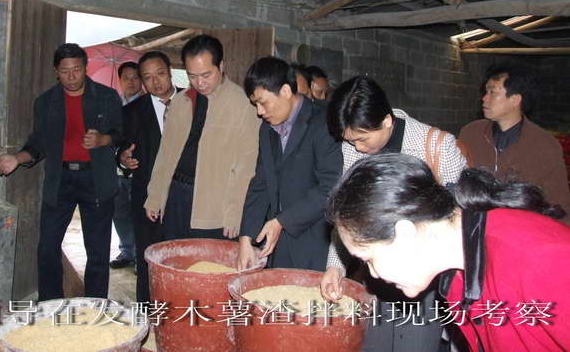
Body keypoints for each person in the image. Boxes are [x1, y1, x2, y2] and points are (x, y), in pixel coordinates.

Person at [328, 152, 570, 352]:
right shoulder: (456, 277)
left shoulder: (541, 260)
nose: (373, 275)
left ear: (405, 233)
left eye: (369, 259)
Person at [321, 76, 467, 352]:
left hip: (424, 282)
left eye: (362, 139)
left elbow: (462, 219)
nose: (357, 147)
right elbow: (350, 214)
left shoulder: (437, 146)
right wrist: (335, 265)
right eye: (350, 140)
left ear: (387, 121)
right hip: (378, 274)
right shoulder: (352, 149)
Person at [0, 43, 122, 301]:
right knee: (47, 248)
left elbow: (122, 133)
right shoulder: (45, 102)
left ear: (85, 68)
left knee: (97, 251)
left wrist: (103, 140)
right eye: (65, 71)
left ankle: (95, 306)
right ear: (56, 72)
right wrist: (17, 159)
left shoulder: (107, 97)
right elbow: (38, 143)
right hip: (60, 180)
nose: (72, 76)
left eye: (77, 69)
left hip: (96, 179)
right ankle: (49, 305)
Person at [144, 34, 261, 242]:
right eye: (192, 76)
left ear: (221, 66)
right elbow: (165, 154)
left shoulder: (244, 105)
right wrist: (154, 196)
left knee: (208, 260)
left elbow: (246, 168)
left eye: (206, 75)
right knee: (174, 257)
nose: (199, 83)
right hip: (176, 197)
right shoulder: (180, 102)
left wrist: (235, 213)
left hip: (214, 207)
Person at [237, 57, 342, 271]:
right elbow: (261, 184)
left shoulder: (323, 123)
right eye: (255, 104)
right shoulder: (267, 129)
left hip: (315, 243)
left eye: (263, 102)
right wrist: (246, 238)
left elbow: (330, 188)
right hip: (278, 245)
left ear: (285, 91)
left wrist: (282, 221)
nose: (259, 111)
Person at [459, 64, 570, 221]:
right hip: (474, 225)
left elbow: (559, 204)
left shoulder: (545, 145)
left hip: (522, 229)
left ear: (515, 100)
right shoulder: (471, 133)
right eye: (486, 92)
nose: (484, 98)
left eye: (492, 92)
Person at [116, 51, 180, 302]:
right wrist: (123, 158)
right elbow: (122, 148)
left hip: (186, 196)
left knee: (181, 258)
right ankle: (146, 312)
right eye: (148, 77)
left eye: (160, 74)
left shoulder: (193, 102)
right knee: (147, 258)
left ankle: (179, 312)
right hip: (146, 196)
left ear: (170, 72)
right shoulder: (132, 111)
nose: (156, 81)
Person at [110, 60, 143, 269]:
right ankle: (127, 252)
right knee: (119, 214)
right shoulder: (113, 106)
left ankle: (141, 257)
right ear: (120, 81)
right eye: (126, 78)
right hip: (116, 172)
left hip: (139, 171)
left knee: (140, 216)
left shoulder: (147, 106)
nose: (131, 82)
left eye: (135, 77)